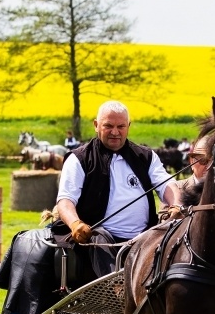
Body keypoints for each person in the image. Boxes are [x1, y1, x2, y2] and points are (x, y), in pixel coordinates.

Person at [56, 100, 180, 277]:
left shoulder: (146, 156)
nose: (115, 132)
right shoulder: (79, 159)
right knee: (98, 236)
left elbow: (166, 183)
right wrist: (75, 224)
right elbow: (65, 201)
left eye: (121, 126)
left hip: (144, 239)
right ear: (96, 125)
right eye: (108, 126)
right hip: (96, 242)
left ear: (128, 126)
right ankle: (116, 287)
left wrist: (175, 204)